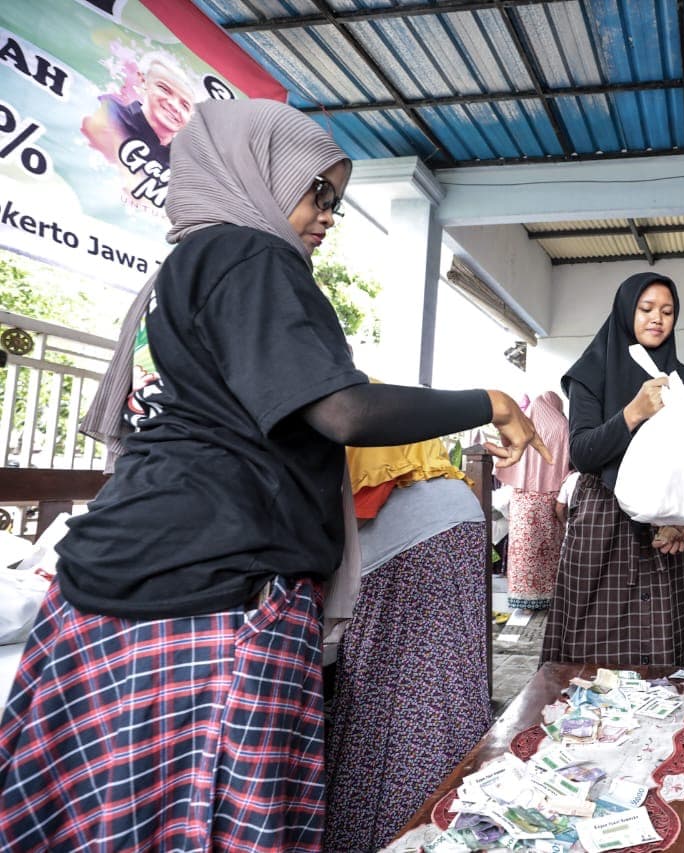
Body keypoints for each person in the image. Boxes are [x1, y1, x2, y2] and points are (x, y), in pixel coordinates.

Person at [0, 99, 547, 851]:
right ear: (255, 173)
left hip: (120, 583)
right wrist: (490, 400)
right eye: (317, 191)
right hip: (212, 600)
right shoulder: (249, 254)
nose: (327, 215)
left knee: (118, 820)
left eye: (337, 199)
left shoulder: (183, 270)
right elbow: (344, 413)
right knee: (210, 821)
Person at [325, 438, 489, 852]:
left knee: (383, 698)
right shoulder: (376, 405)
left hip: (398, 530)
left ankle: (396, 832)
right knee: (450, 678)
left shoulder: (326, 419)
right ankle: (463, 820)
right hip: (460, 512)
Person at [541, 273, 684, 668]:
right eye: (646, 309)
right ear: (625, 311)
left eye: (667, 311)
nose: (657, 319)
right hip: (605, 523)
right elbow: (582, 453)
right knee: (595, 641)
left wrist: (683, 523)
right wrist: (634, 412)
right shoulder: (592, 371)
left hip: (666, 527)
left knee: (663, 636)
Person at [496, 391, 570, 610]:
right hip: (549, 498)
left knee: (523, 549)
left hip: (521, 498)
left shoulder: (523, 425)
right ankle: (548, 596)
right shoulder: (562, 426)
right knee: (547, 549)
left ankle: (522, 598)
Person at [82, 52, 196, 172]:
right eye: (164, 89)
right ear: (143, 81)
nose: (174, 105)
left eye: (185, 105)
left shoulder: (184, 163)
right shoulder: (111, 116)